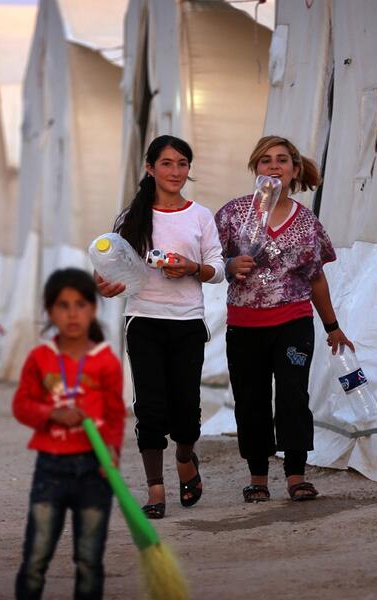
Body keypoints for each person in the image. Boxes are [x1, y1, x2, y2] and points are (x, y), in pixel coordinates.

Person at [215, 135, 354, 503]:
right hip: (244, 324)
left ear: (294, 170)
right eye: (265, 160)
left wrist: (333, 327)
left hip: (293, 321)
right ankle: (258, 477)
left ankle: (296, 475)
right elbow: (209, 262)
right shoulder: (232, 215)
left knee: (293, 395)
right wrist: (229, 265)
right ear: (255, 169)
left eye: (281, 160)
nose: (273, 166)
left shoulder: (307, 222)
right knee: (251, 399)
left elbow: (316, 278)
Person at [97, 135, 225, 519]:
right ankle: (155, 488)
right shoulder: (132, 218)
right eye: (167, 163)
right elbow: (111, 270)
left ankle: (185, 458)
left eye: (182, 163)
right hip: (144, 321)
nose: (175, 171)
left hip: (187, 323)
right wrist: (106, 286)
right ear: (150, 168)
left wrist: (192, 268)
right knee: (150, 409)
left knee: (186, 409)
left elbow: (218, 269)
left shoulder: (200, 215)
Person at [13, 268, 125, 600]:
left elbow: (116, 414)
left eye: (80, 304)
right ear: (50, 312)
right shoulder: (40, 358)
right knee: (36, 557)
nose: (72, 314)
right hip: (51, 469)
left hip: (95, 471)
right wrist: (51, 413)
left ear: (93, 309)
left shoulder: (106, 361)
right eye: (63, 305)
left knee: (89, 561)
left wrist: (113, 451)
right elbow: (21, 405)